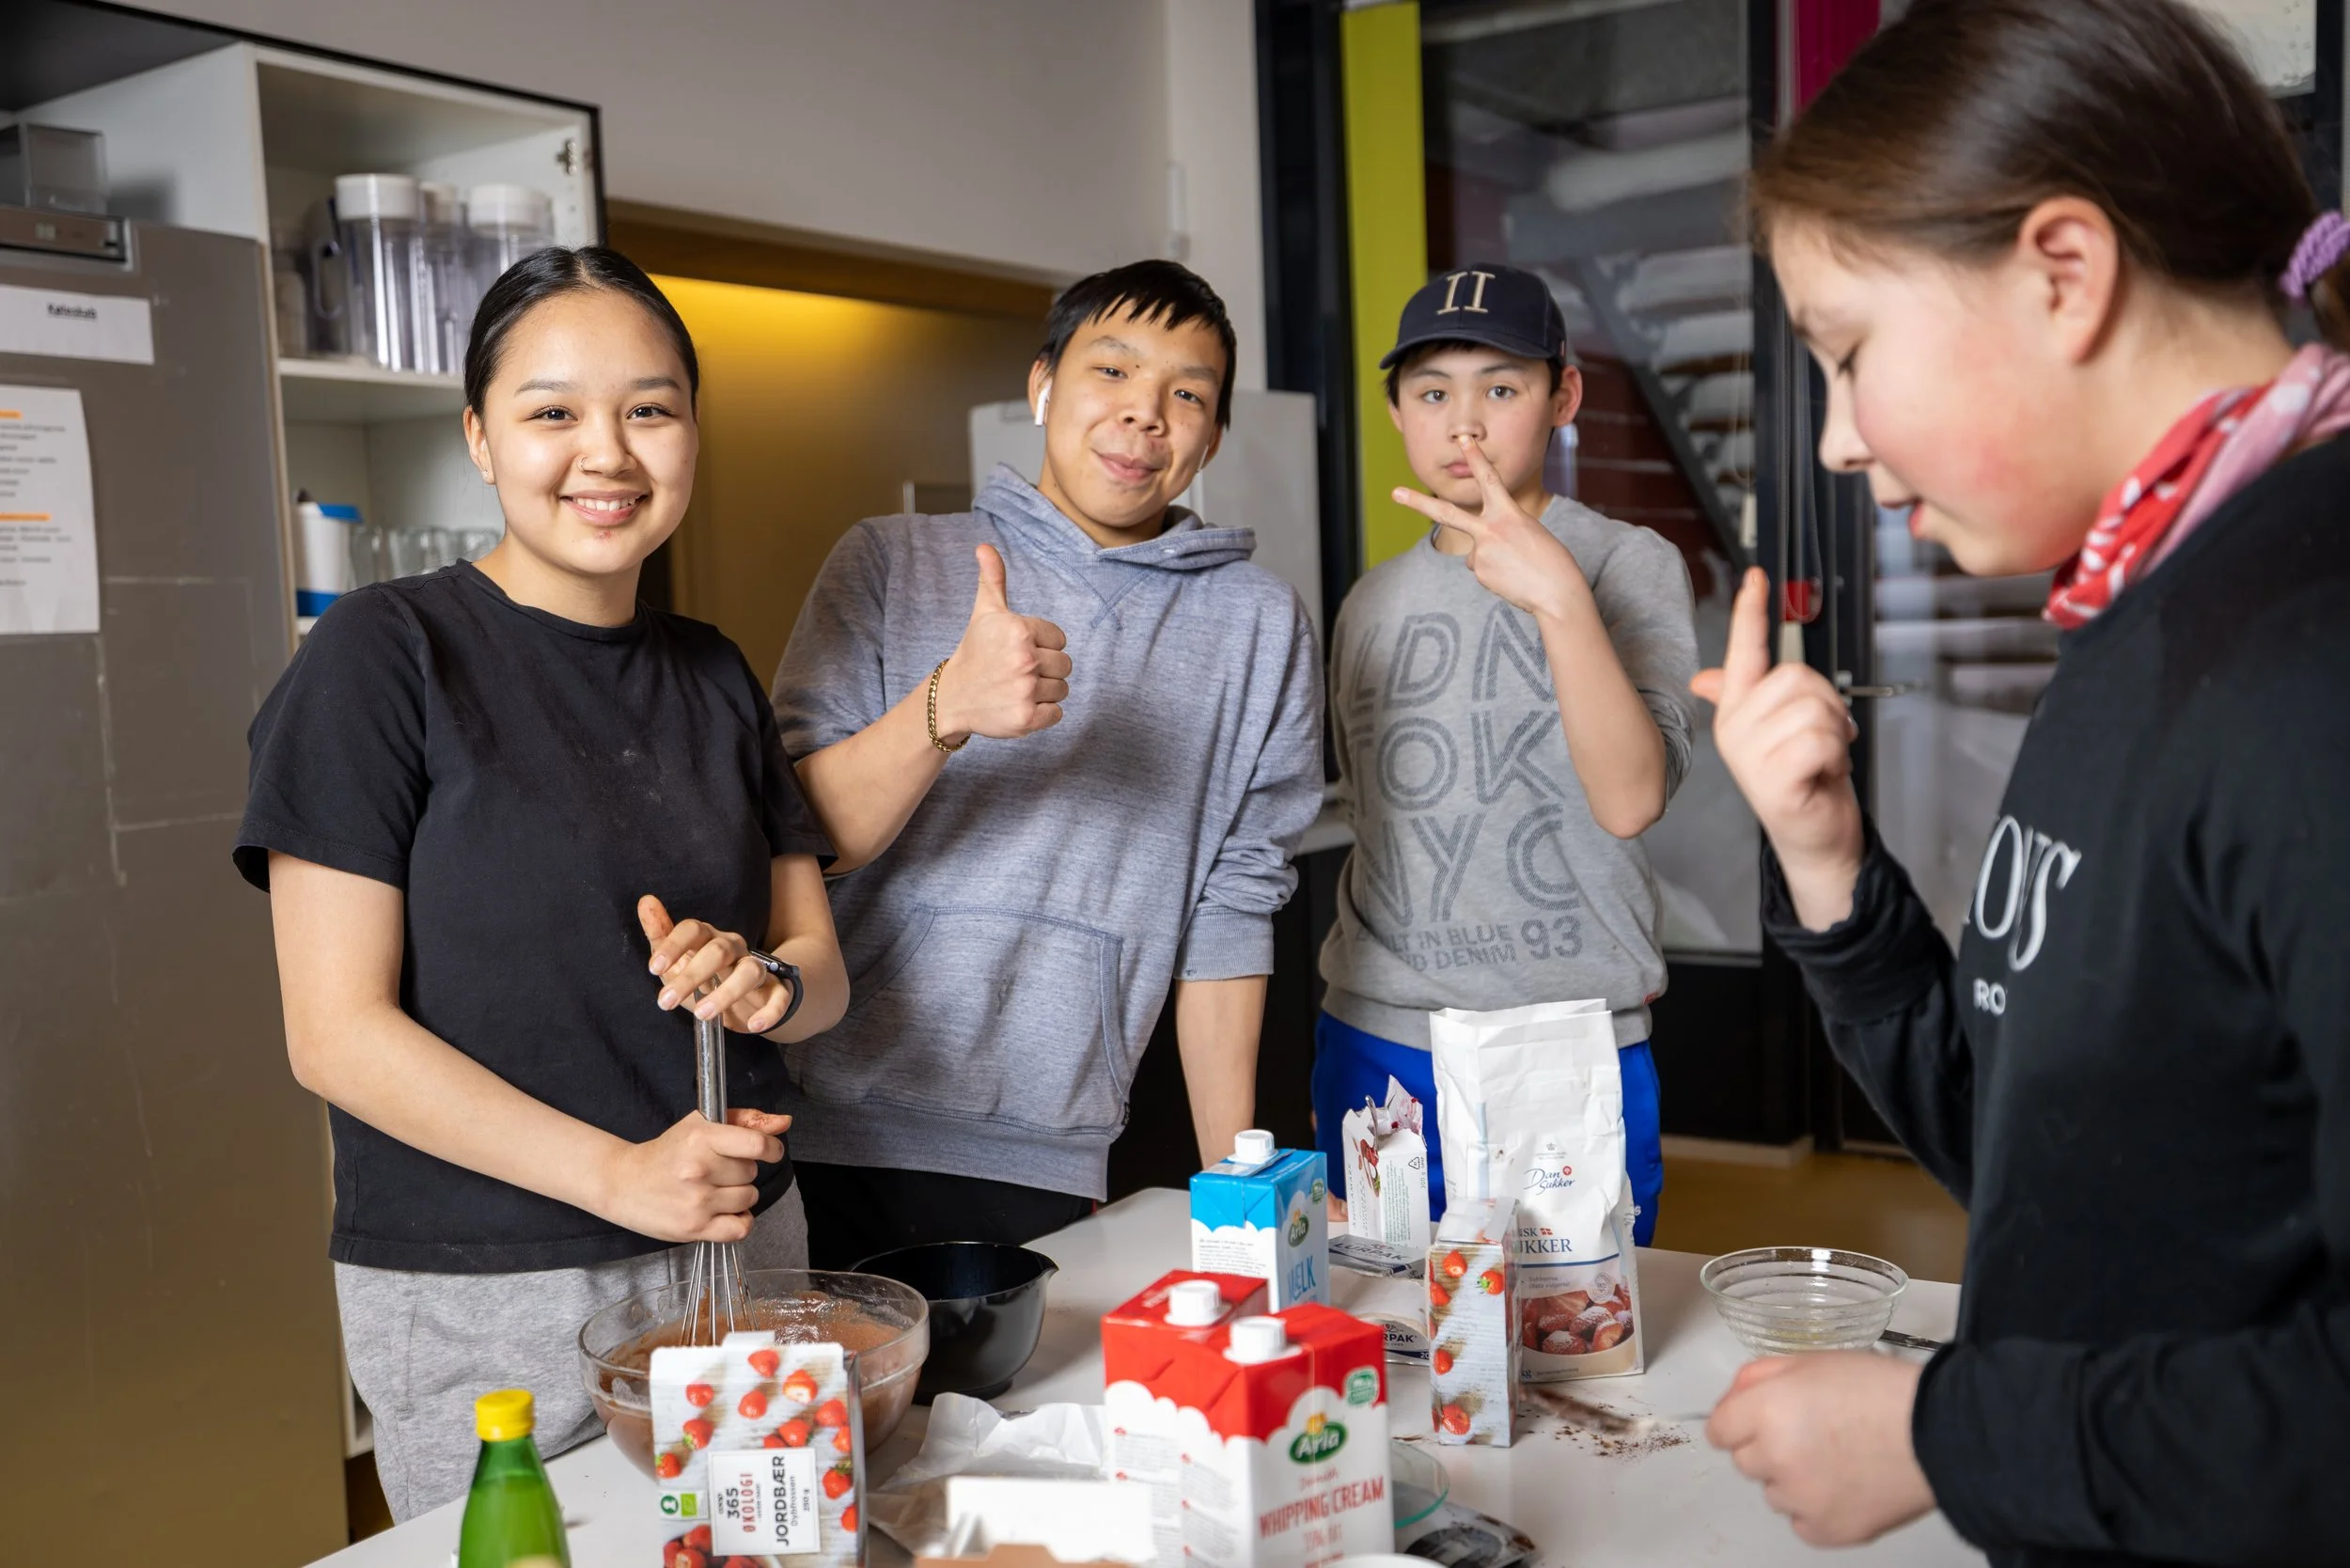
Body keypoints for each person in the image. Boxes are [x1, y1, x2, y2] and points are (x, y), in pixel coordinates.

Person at [1693, 2, 2350, 1561]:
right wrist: (1827, 859)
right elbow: (2054, 1144)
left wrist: (1946, 1428)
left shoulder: (2308, 654)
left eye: (1849, 355)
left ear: (2063, 269)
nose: (1840, 439)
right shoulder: (2148, 606)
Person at [235, 247, 848, 1521]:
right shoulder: (383, 656)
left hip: (745, 1244)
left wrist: (764, 984)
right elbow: (333, 1034)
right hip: (493, 1287)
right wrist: (619, 1177)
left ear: (690, 431)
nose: (607, 452)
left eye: (650, 408)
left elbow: (819, 968)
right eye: (553, 410)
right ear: (479, 436)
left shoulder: (713, 671)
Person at [771, 259, 1323, 1268]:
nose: (1145, 414)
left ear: (1210, 439)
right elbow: (797, 841)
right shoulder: (891, 560)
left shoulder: (1260, 623)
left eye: (1186, 394)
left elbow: (1233, 905)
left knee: (1027, 1423)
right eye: (1111, 371)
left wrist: (1233, 1192)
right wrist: (948, 709)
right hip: (832, 1130)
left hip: (1057, 1142)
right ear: (1040, 387)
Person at [1313, 263, 1696, 1243]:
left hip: (1566, 1041)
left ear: (1562, 397)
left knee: (1573, 1356)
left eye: (1502, 387)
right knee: (1385, 1340)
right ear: (1397, 411)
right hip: (1378, 1037)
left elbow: (1631, 800)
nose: (1465, 423)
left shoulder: (1626, 563)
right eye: (1433, 392)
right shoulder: (1368, 602)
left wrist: (1559, 597)